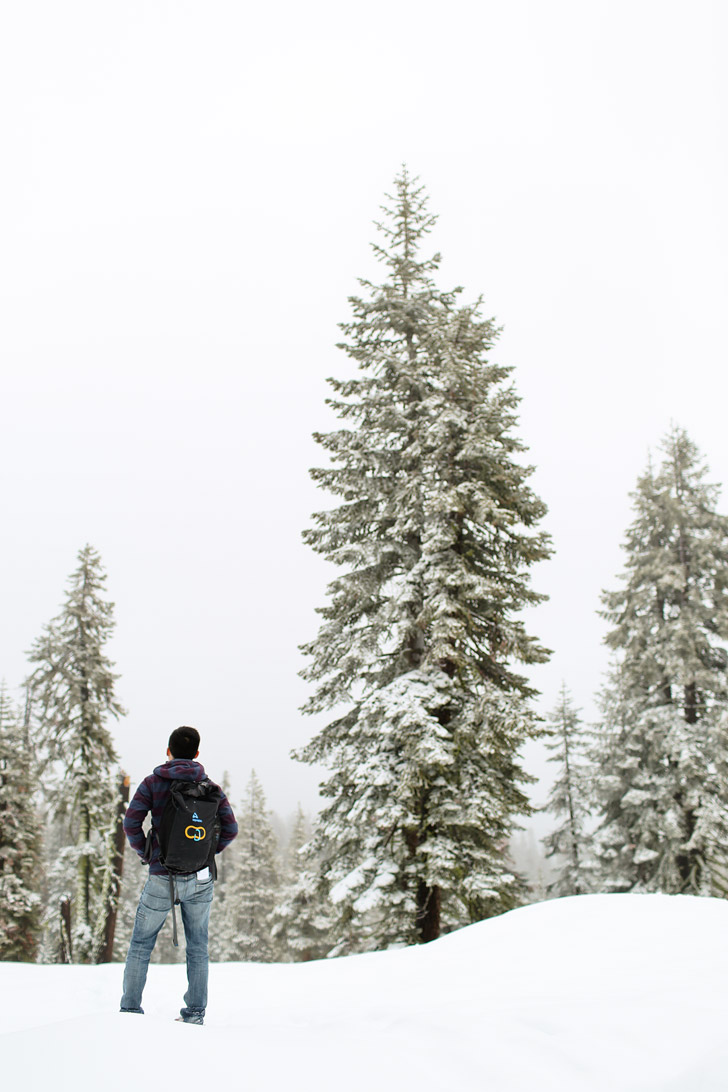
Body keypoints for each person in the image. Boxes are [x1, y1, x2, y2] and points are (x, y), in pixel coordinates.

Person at [119, 725, 238, 1024]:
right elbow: (231, 829)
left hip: (162, 875)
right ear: (197, 754)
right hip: (200, 879)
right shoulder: (210, 787)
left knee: (141, 944)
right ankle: (195, 1013)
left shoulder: (152, 783)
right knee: (198, 946)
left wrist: (147, 854)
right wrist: (206, 853)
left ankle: (130, 1011)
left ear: (168, 751)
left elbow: (131, 823)